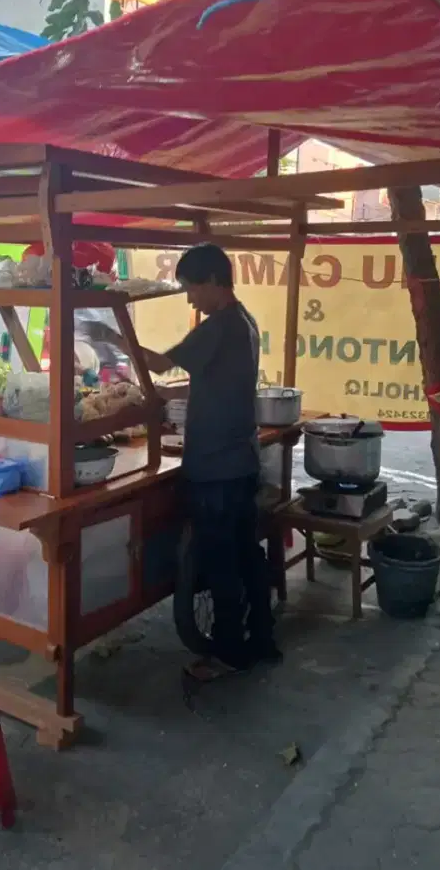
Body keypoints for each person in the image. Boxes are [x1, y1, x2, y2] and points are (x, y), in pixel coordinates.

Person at [83, 243, 279, 678]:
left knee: (222, 561)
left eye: (191, 289)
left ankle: (229, 653)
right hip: (241, 461)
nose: (190, 299)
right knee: (247, 555)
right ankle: (261, 640)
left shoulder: (220, 325)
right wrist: (169, 396)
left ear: (212, 282)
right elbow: (210, 382)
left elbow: (154, 364)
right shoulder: (243, 322)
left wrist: (114, 337)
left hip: (216, 468)